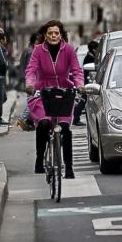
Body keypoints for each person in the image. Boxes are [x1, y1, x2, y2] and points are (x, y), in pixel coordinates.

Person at [25, 20, 85, 179]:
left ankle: (69, 168)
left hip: (64, 92)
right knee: (44, 123)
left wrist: (80, 85)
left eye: (56, 33)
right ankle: (39, 159)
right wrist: (30, 84)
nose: (53, 36)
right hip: (43, 93)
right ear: (45, 35)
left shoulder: (69, 50)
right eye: (50, 33)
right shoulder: (38, 50)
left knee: (65, 128)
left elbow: (77, 71)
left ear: (61, 35)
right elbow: (31, 70)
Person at [73, 40, 99, 125]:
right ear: (94, 49)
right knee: (83, 100)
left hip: (89, 82)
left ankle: (76, 118)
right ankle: (76, 119)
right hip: (88, 82)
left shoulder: (90, 57)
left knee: (84, 101)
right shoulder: (89, 58)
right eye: (97, 49)